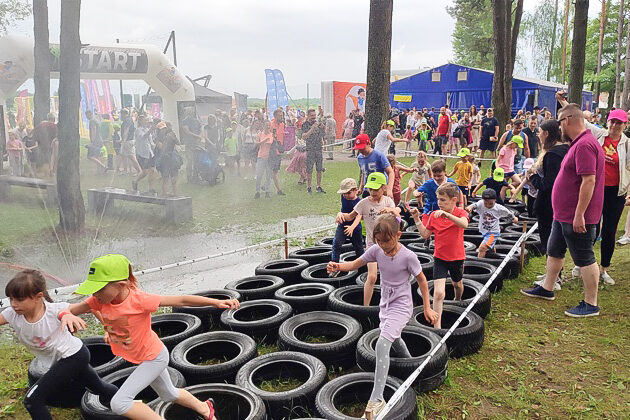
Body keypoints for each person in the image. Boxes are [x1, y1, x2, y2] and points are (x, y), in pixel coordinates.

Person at [66, 254, 239, 420]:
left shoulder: (140, 300)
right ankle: (204, 407)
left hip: (154, 357)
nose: (94, 294)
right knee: (169, 393)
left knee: (119, 403)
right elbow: (68, 310)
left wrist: (216, 302)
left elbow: (180, 300)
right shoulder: (98, 301)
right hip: (143, 357)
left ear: (120, 285)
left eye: (99, 289)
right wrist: (67, 316)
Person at [326, 214, 438, 418]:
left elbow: (422, 280)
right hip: (385, 304)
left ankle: (377, 398)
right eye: (378, 241)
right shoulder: (376, 250)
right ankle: (413, 368)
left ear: (398, 235)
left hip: (402, 306)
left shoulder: (408, 256)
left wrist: (427, 308)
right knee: (394, 338)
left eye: (386, 240)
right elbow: (354, 264)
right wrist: (338, 266)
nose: (383, 245)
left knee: (382, 343)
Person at [521, 102, 605, 318]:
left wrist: (579, 214)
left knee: (584, 256)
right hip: (562, 213)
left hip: (576, 215)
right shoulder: (577, 143)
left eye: (560, 123)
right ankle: (547, 288)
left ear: (567, 120)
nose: (559, 128)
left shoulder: (585, 145)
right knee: (554, 248)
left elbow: (589, 181)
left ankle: (591, 303)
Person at [1, 269, 119, 419]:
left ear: (38, 297)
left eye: (19, 300)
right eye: (11, 299)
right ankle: (126, 403)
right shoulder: (11, 314)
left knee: (32, 400)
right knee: (98, 387)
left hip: (74, 356)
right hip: (61, 359)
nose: (13, 304)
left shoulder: (53, 310)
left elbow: (87, 306)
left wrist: (107, 329)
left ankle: (125, 404)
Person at [577, 107, 630, 285]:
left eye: (619, 123)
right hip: (595, 189)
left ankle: (604, 269)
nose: (614, 125)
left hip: (616, 193)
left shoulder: (627, 144)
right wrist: (562, 101)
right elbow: (580, 119)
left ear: (625, 124)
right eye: (612, 121)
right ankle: (583, 263)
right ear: (607, 122)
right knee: (591, 226)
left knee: (609, 230)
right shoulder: (599, 134)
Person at [411, 182, 469, 329]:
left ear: (454, 200)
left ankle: (457, 298)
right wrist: (417, 219)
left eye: (443, 200)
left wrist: (447, 215)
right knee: (438, 293)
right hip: (440, 258)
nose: (439, 203)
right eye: (438, 199)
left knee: (457, 284)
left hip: (457, 257)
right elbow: (425, 234)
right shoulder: (434, 215)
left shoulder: (460, 213)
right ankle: (438, 329)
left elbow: (464, 224)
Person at [339, 172, 397, 295]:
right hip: (372, 244)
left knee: (391, 275)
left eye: (376, 189)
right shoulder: (364, 203)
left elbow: (397, 213)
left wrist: (392, 210)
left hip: (389, 244)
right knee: (372, 277)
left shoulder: (388, 201)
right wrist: (340, 214)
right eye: (370, 189)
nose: (373, 192)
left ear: (383, 188)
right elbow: (349, 216)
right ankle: (366, 307)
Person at [466, 188, 517, 257]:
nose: (487, 205)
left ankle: (480, 263)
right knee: (490, 247)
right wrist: (470, 207)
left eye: (490, 203)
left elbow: (508, 213)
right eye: (486, 203)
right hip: (484, 231)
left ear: (495, 200)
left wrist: (514, 218)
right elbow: (475, 205)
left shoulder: (498, 208)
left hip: (493, 233)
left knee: (482, 248)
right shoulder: (481, 203)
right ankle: (493, 255)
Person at [332, 178, 364, 263]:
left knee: (359, 247)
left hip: (355, 228)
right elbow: (342, 210)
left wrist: (352, 227)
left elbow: (358, 217)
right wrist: (339, 214)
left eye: (348, 193)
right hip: (342, 225)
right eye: (344, 193)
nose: (345, 195)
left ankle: (361, 267)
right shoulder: (343, 197)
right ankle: (334, 264)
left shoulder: (360, 202)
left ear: (356, 190)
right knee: (336, 244)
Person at [353, 133, 394, 198]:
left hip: (379, 188)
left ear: (369, 144)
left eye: (363, 148)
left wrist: (389, 189)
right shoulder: (360, 158)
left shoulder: (379, 155)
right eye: (359, 149)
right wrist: (361, 187)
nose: (361, 151)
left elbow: (390, 172)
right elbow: (364, 173)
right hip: (368, 189)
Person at [155, 122, 182, 197]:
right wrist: (166, 140)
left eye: (164, 128)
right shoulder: (158, 138)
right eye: (161, 129)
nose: (163, 130)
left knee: (174, 178)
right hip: (164, 159)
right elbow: (162, 148)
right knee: (165, 178)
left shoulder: (171, 134)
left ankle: (175, 194)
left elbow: (178, 143)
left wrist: (173, 138)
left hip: (172, 157)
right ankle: (164, 194)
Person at [301, 109, 326, 193]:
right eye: (312, 116)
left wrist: (323, 128)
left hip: (318, 149)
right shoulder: (305, 125)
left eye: (314, 115)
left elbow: (323, 135)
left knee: (319, 168)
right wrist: (312, 128)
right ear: (308, 116)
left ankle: (318, 186)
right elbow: (304, 136)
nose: (314, 117)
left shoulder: (318, 124)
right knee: (309, 168)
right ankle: (309, 187)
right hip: (310, 149)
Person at [132, 116, 157, 193]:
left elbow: (150, 141)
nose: (147, 122)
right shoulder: (138, 130)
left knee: (152, 170)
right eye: (145, 120)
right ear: (140, 122)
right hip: (142, 153)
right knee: (145, 172)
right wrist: (151, 130)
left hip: (149, 153)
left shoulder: (147, 129)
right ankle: (135, 180)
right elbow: (143, 137)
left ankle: (151, 188)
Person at [181, 108, 204, 183]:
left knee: (197, 160)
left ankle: (196, 176)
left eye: (191, 111)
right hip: (189, 143)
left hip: (196, 144)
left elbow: (201, 130)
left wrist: (199, 136)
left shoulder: (196, 121)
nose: (191, 112)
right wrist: (197, 136)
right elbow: (187, 131)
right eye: (189, 111)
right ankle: (189, 178)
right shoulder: (185, 121)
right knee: (190, 160)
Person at [255, 120, 274, 199]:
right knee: (259, 175)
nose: (268, 127)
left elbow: (273, 144)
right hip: (261, 156)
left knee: (268, 175)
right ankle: (257, 191)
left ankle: (267, 191)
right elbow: (257, 144)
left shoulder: (272, 134)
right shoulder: (260, 134)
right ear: (264, 126)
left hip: (269, 158)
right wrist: (264, 140)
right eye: (266, 125)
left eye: (269, 125)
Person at [120, 109, 141, 175]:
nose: (120, 116)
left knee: (132, 157)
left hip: (128, 141)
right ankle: (126, 170)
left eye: (121, 114)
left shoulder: (127, 120)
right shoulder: (128, 120)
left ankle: (139, 171)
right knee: (124, 155)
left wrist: (123, 141)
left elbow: (126, 131)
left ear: (124, 114)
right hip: (127, 140)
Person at [269, 109, 286, 195]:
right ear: (275, 116)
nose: (281, 117)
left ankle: (266, 185)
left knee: (274, 171)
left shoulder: (282, 125)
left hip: (279, 150)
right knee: (273, 170)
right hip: (272, 150)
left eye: (282, 115)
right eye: (280, 116)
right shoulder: (271, 125)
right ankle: (279, 190)